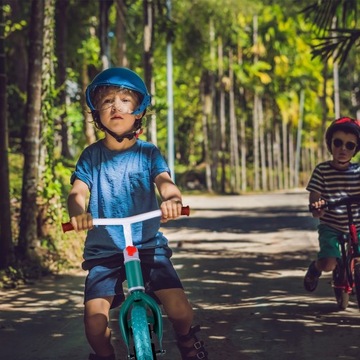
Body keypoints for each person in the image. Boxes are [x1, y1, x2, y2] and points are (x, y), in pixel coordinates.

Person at [67, 67, 208, 360]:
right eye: (107, 101)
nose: (115, 106)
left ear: (139, 110)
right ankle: (105, 356)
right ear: (97, 113)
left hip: (147, 245)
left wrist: (172, 199)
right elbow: (77, 193)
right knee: (94, 322)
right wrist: (78, 212)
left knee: (181, 310)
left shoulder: (148, 153)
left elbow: (166, 184)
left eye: (124, 100)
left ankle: (185, 340)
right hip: (103, 250)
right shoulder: (92, 157)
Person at [304, 116, 360, 292]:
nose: (343, 149)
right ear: (330, 144)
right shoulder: (322, 170)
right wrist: (317, 205)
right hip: (331, 225)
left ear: (356, 149)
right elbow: (315, 195)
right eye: (338, 143)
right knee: (329, 264)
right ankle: (315, 268)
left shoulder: (358, 171)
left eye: (349, 145)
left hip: (357, 226)